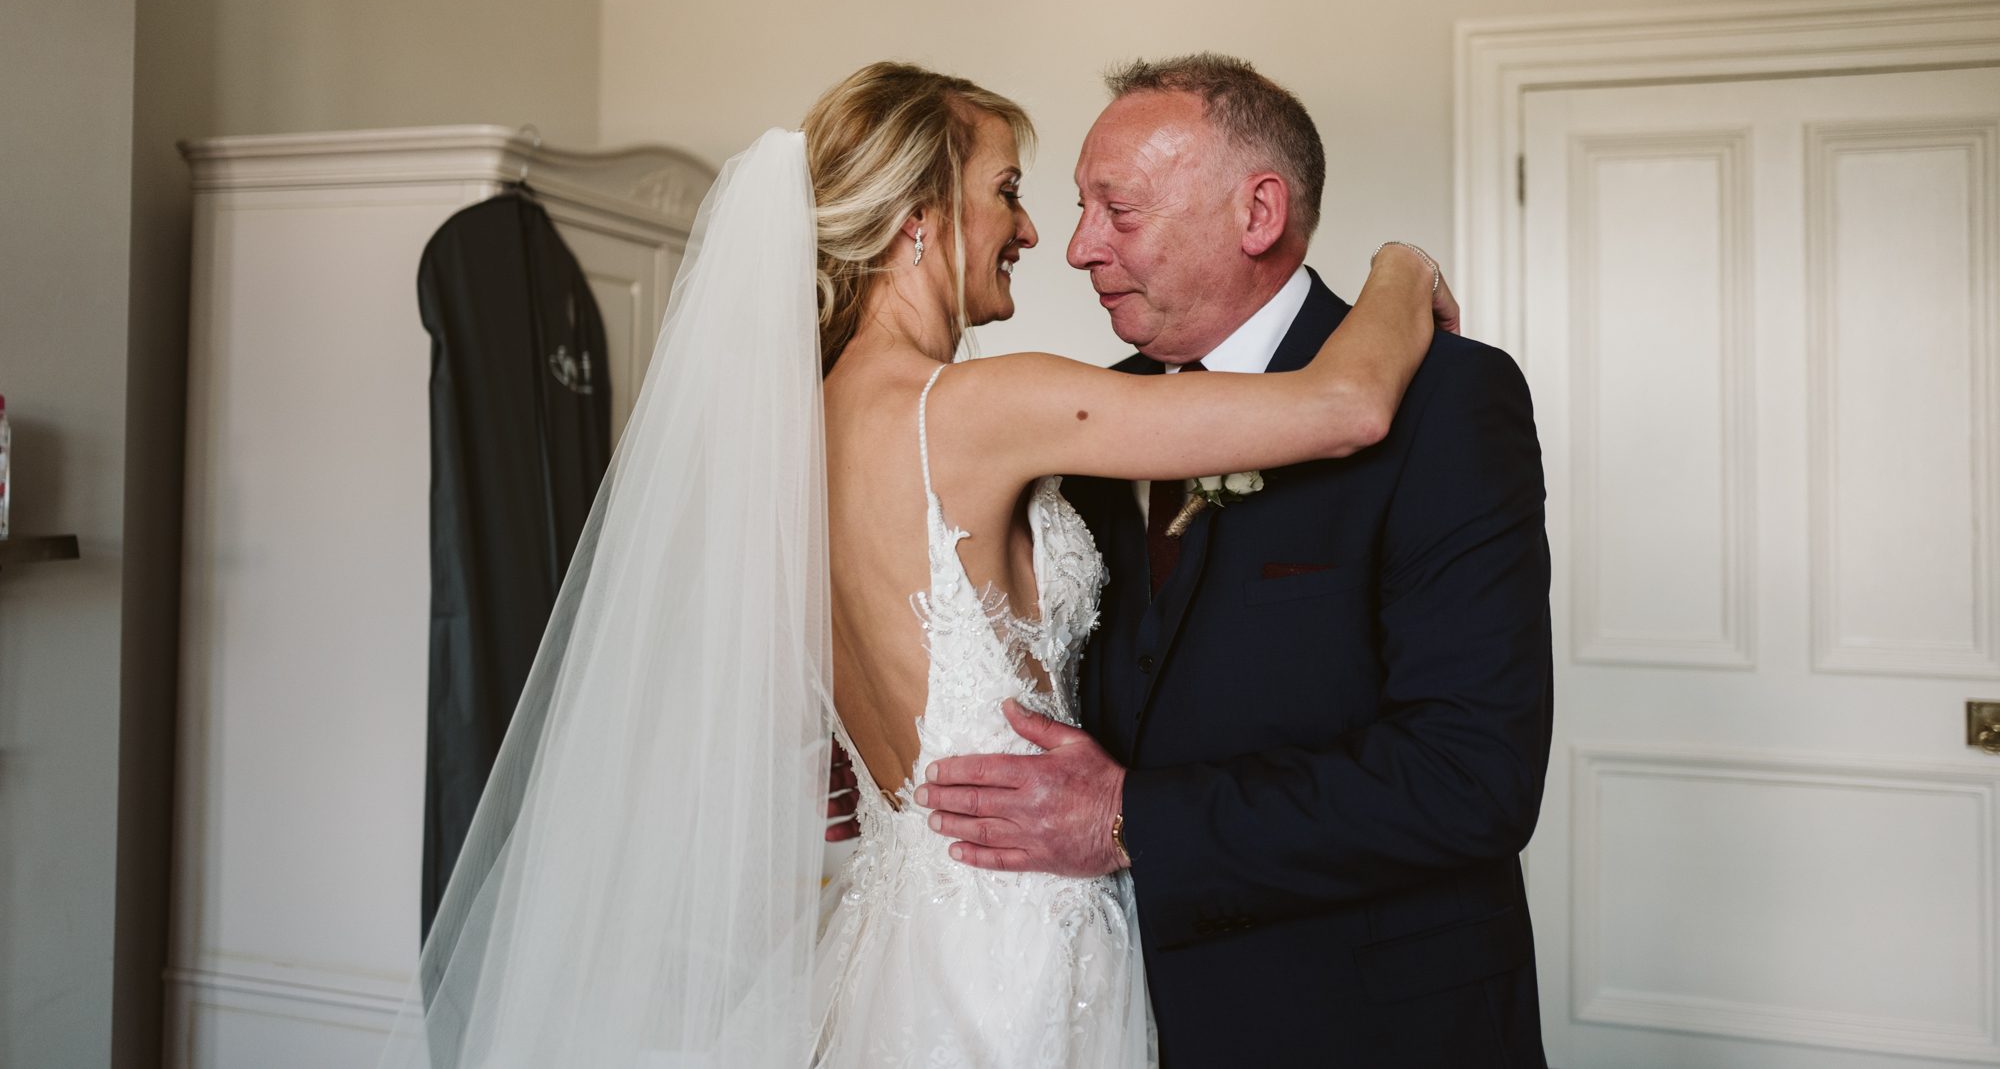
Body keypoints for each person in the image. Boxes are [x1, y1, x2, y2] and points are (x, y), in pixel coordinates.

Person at [380, 61, 1452, 1069]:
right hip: (1018, 928)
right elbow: (1343, 404)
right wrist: (1402, 266)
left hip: (902, 923)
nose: (1034, 231)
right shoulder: (976, 407)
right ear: (918, 220)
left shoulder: (793, 436)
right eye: (1005, 191)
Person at [915, 55, 1553, 1067]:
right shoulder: (1079, 419)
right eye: (1076, 207)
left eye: (1115, 210)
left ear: (1257, 213)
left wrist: (1131, 818)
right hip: (1121, 1008)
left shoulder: (1447, 402)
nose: (1076, 247)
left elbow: (1471, 776)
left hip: (1369, 1019)